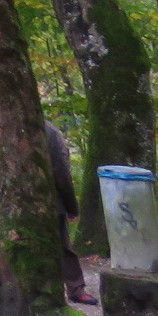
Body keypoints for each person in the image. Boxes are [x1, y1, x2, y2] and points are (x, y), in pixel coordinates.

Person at [46, 120, 91, 305]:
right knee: (63, 246)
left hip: (17, 203)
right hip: (49, 201)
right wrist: (71, 206)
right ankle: (75, 288)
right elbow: (62, 172)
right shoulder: (48, 131)